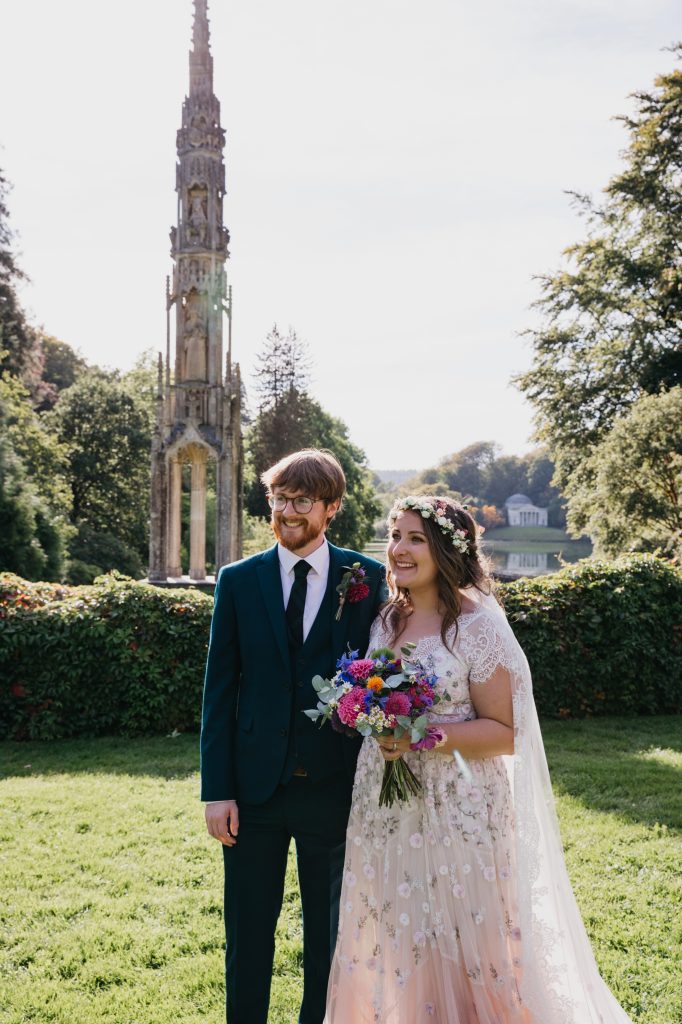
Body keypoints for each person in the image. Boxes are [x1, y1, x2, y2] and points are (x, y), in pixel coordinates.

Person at [325, 494, 635, 1023]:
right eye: (395, 535)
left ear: (447, 548)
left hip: (460, 804)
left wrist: (425, 738)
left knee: (469, 938)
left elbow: (506, 732)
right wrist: (368, 717)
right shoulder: (383, 620)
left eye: (415, 538)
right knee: (398, 929)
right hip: (386, 801)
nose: (398, 549)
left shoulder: (478, 625)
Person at [201, 448, 386, 1024]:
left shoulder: (367, 579)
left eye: (302, 500)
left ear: (331, 508)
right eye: (279, 498)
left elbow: (381, 676)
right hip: (252, 792)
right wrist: (216, 789)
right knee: (248, 931)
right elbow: (220, 690)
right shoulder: (237, 580)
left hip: (332, 787)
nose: (287, 511)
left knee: (329, 939)